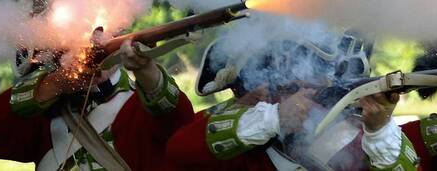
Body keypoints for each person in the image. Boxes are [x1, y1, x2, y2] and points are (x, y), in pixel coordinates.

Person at [162, 33, 420, 171]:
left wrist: (379, 130)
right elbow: (179, 150)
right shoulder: (246, 132)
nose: (317, 86)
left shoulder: (354, 137)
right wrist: (274, 119)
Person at [0, 37, 194, 171]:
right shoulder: (42, 119)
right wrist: (55, 85)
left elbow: (179, 121)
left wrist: (146, 70)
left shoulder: (140, 106)